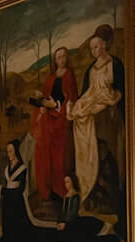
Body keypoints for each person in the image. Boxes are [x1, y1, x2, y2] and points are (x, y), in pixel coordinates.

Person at [69, 24, 125, 206]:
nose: (94, 50)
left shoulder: (115, 64)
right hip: (94, 115)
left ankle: (113, 193)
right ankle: (91, 185)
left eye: (97, 46)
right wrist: (80, 106)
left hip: (109, 115)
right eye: (91, 47)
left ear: (104, 45)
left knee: (108, 152)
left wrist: (109, 100)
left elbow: (120, 91)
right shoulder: (90, 70)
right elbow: (86, 93)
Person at [0, 139, 59, 242]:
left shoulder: (22, 168)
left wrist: (1, 190)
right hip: (8, 202)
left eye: (11, 151)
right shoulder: (8, 168)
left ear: (16, 151)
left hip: (16, 203)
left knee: (20, 229)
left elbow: (19, 190)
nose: (9, 154)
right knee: (8, 227)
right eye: (8, 151)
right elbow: (8, 184)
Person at [31, 46, 78, 201]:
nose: (61, 60)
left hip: (62, 121)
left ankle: (62, 189)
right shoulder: (51, 77)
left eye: (64, 56)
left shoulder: (69, 76)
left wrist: (56, 106)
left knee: (61, 157)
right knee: (48, 155)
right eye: (58, 57)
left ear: (67, 58)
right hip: (49, 121)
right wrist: (42, 100)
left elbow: (71, 100)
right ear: (55, 60)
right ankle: (49, 189)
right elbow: (47, 96)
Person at [56, 174, 120, 242]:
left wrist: (66, 224)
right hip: (67, 223)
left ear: (73, 182)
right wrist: (60, 221)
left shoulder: (75, 195)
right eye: (65, 182)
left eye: (68, 182)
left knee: (79, 236)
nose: (66, 184)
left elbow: (73, 212)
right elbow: (63, 212)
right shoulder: (66, 196)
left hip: (73, 221)